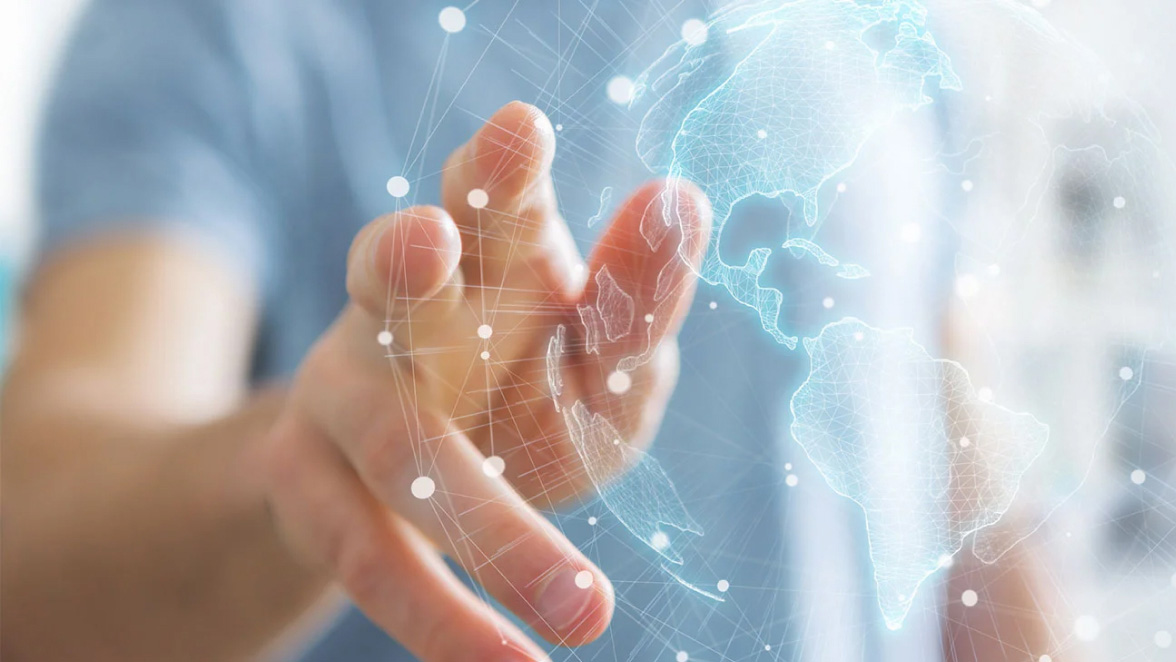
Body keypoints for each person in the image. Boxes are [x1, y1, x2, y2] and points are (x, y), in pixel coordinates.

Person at [1, 1, 1059, 661]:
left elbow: (953, 461)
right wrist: (307, 459)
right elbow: (31, 566)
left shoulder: (887, 26)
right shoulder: (218, 25)